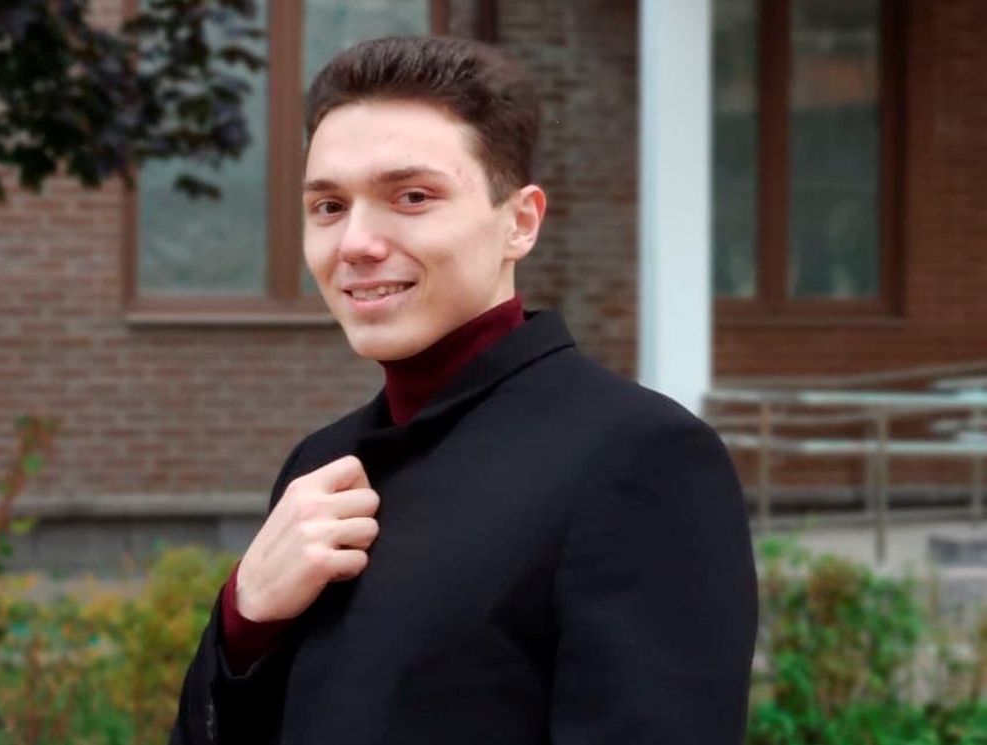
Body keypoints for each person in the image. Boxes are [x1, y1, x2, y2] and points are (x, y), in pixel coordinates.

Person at [171, 35, 757, 745]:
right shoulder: (318, 465)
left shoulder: (640, 457)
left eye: (412, 197)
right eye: (328, 206)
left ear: (520, 222)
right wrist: (245, 619)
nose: (355, 242)